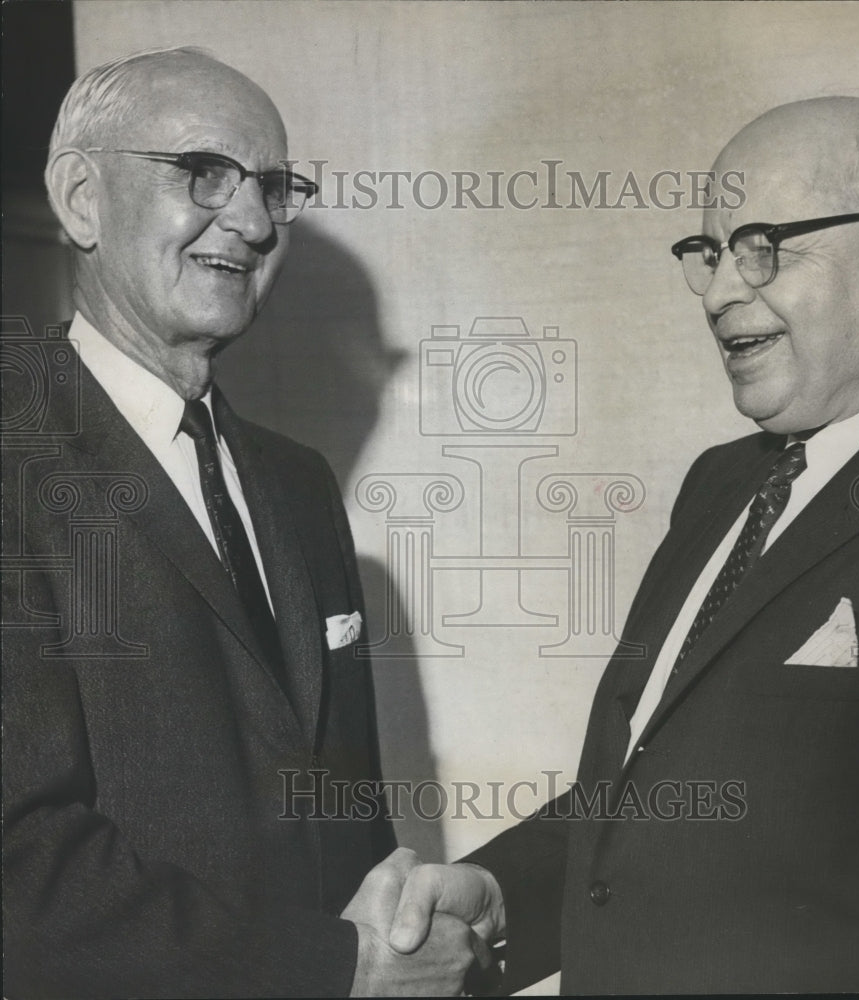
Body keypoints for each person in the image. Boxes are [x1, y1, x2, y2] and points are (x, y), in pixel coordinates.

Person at [385, 96, 859, 993]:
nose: (716, 292)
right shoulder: (723, 484)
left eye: (764, 246)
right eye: (708, 255)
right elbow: (651, 795)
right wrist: (502, 892)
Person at [1, 47, 481, 997]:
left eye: (272, 186)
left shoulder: (295, 486)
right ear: (80, 199)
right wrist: (337, 969)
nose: (255, 222)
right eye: (205, 174)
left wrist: (406, 924)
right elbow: (22, 866)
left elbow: (348, 819)